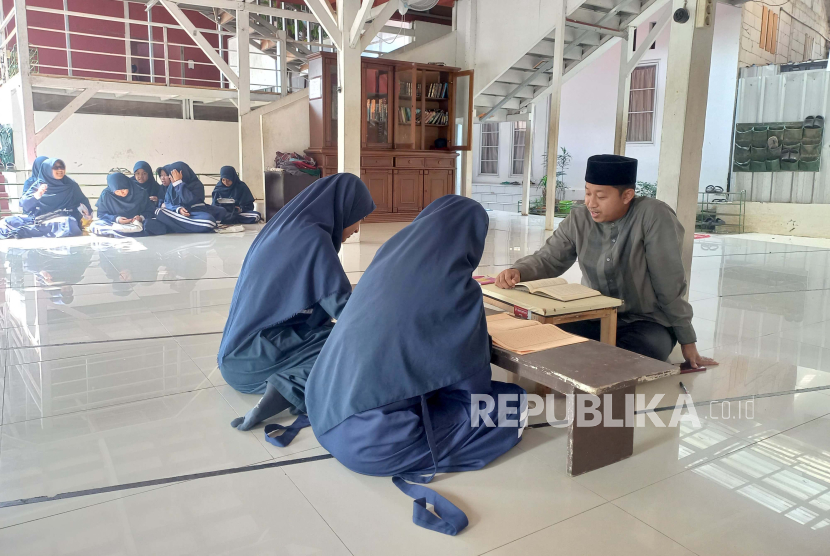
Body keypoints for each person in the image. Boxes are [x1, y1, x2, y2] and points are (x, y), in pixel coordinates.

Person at [305, 195, 526, 536]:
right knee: (511, 404)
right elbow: (473, 392)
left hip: (323, 407)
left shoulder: (384, 263)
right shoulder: (456, 291)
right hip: (369, 442)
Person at [495, 154, 717, 368]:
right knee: (540, 334)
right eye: (588, 193)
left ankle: (588, 360)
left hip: (645, 322)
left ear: (627, 196)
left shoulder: (653, 216)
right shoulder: (579, 218)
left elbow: (669, 283)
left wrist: (688, 341)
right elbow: (550, 258)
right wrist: (519, 271)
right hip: (594, 315)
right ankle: (588, 359)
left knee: (643, 352)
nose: (591, 203)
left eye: (601, 197)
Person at [218, 173, 375, 431]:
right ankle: (287, 389)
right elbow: (346, 312)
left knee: (337, 336)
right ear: (343, 208)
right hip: (253, 359)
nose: (357, 228)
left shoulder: (288, 228)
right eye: (359, 217)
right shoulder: (312, 240)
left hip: (240, 352)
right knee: (359, 347)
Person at [0, 158, 91, 239]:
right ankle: (33, 229)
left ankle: (29, 230)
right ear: (47, 170)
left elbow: (82, 200)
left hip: (62, 217)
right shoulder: (39, 184)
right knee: (8, 221)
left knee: (70, 224)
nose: (60, 170)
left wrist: (87, 211)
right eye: (55, 167)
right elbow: (24, 204)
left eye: (62, 167)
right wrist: (37, 195)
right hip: (40, 218)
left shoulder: (70, 184)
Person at [154, 161, 225, 233]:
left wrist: (179, 184)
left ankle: (175, 226)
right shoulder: (171, 187)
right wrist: (178, 209)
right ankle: (183, 226)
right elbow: (167, 203)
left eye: (173, 175)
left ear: (183, 173)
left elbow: (188, 200)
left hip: (194, 213)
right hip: (179, 214)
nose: (169, 177)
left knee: (210, 220)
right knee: (159, 211)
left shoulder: (197, 185)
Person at [89, 173, 167, 237]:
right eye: (117, 191)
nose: (121, 193)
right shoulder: (106, 195)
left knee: (155, 224)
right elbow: (101, 215)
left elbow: (150, 211)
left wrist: (141, 217)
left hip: (137, 224)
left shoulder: (140, 193)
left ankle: (117, 233)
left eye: (123, 190)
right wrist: (117, 219)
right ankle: (125, 232)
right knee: (95, 225)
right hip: (115, 223)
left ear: (128, 186)